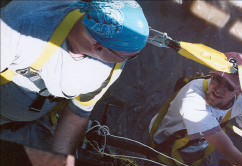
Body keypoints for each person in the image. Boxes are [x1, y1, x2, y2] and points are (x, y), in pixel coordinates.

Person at [0, 0, 149, 155]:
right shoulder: (21, 24)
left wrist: (61, 162)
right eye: (128, 57)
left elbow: (78, 113)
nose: (125, 61)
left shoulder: (112, 62)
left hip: (32, 121)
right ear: (98, 47)